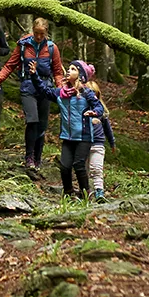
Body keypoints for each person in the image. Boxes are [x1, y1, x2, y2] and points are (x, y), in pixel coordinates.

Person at [0, 18, 63, 168]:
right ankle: (29, 157)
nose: (38, 37)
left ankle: (37, 159)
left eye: (41, 34)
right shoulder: (24, 45)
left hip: (45, 89)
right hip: (28, 87)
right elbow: (10, 65)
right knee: (32, 120)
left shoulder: (52, 48)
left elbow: (57, 71)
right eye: (36, 33)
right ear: (32, 30)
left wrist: (61, 90)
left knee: (42, 125)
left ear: (46, 33)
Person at [30, 59, 103, 198]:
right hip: (68, 136)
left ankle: (85, 194)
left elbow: (98, 106)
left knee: (79, 165)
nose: (69, 71)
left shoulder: (86, 92)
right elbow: (43, 90)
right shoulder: (60, 93)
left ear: (81, 75)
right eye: (69, 68)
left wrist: (95, 112)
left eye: (73, 69)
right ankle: (69, 193)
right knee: (64, 166)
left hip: (84, 136)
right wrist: (34, 75)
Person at [84, 80, 115, 202]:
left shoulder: (101, 113)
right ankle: (86, 191)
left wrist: (112, 143)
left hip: (98, 144)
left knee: (96, 168)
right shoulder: (81, 110)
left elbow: (108, 130)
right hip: (83, 143)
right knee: (83, 170)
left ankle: (99, 191)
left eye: (94, 93)